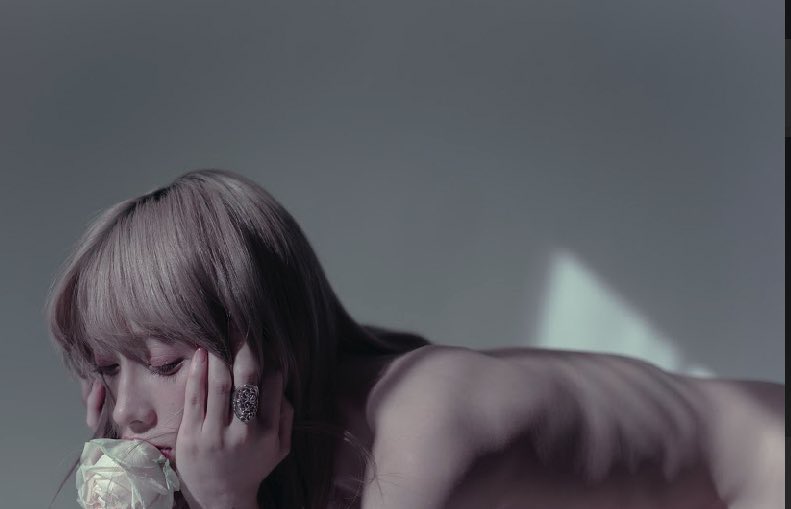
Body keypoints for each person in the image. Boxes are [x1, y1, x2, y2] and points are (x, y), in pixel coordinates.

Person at [47, 169, 783, 509]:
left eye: (165, 362)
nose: (127, 412)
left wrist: (226, 502)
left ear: (262, 352)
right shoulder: (302, 443)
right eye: (107, 367)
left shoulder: (424, 432)